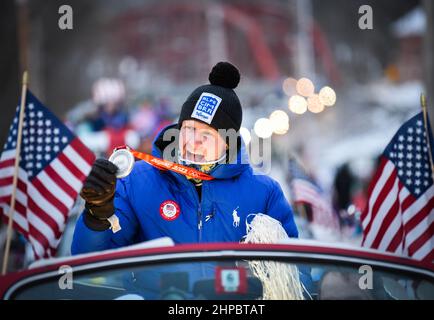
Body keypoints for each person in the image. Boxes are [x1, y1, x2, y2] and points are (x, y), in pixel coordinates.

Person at [71, 62, 298, 255]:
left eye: (207, 135)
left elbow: (291, 276)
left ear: (228, 142)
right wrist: (96, 216)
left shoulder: (263, 193)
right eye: (189, 129)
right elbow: (91, 261)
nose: (194, 141)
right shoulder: (136, 182)